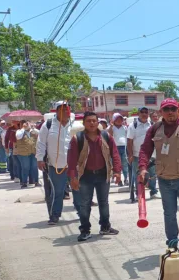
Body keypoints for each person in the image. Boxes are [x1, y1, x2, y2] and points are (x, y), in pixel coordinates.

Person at [137, 98, 179, 258]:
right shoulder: (155, 129)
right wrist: (142, 168)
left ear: (178, 111)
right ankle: (172, 245)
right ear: (161, 112)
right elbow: (145, 149)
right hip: (164, 179)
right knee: (169, 214)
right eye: (166, 109)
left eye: (173, 109)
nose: (170, 112)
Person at [67, 112, 122, 241]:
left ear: (98, 123)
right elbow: (71, 160)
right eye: (88, 121)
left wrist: (117, 171)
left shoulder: (106, 136)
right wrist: (73, 178)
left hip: (103, 174)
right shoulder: (77, 138)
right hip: (85, 176)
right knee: (84, 204)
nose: (91, 123)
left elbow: (115, 154)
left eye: (94, 121)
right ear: (84, 123)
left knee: (104, 202)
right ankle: (85, 230)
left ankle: (105, 227)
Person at [37, 102, 76, 224]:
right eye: (63, 109)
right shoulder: (48, 125)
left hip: (74, 166)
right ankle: (54, 215)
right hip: (56, 165)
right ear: (57, 111)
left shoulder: (75, 124)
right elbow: (41, 142)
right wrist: (40, 159)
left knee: (78, 190)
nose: (66, 112)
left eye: (68, 109)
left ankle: (83, 213)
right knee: (57, 192)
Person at [127, 107, 157, 203]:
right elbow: (129, 141)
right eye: (142, 112)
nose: (144, 114)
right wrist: (130, 155)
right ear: (138, 114)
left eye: (146, 112)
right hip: (137, 155)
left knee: (152, 174)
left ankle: (153, 192)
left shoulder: (152, 125)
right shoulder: (133, 126)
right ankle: (138, 193)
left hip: (151, 154)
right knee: (138, 174)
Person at [14, 120, 40, 188]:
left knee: (34, 167)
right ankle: (24, 182)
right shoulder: (19, 131)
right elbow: (18, 136)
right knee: (25, 167)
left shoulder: (33, 131)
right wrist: (23, 128)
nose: (27, 125)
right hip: (23, 153)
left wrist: (33, 127)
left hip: (33, 152)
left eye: (28, 123)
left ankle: (36, 181)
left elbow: (40, 133)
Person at [108, 113, 129, 185]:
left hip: (124, 147)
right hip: (115, 148)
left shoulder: (125, 127)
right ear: (114, 120)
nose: (119, 120)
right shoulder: (112, 128)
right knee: (118, 164)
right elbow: (110, 135)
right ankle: (119, 180)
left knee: (125, 164)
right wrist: (111, 126)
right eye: (117, 119)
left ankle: (126, 179)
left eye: (120, 119)